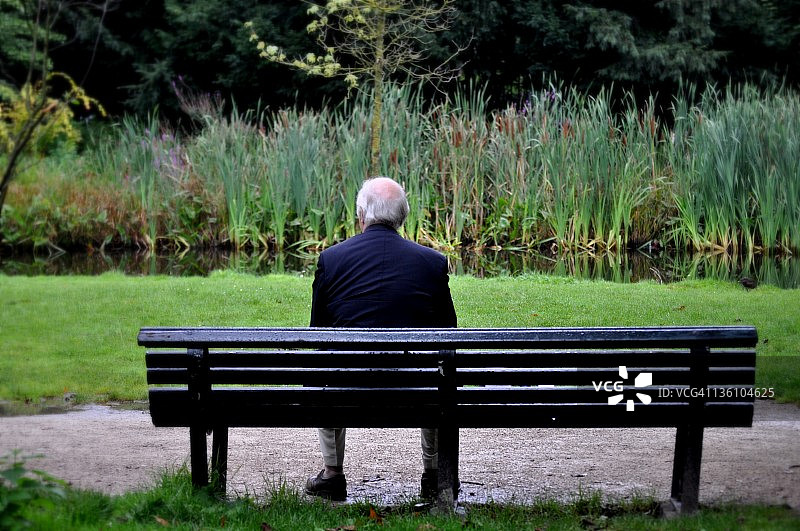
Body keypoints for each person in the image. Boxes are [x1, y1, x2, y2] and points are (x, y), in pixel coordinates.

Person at [305, 176, 458, 501]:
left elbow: (318, 333)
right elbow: (448, 335)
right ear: (402, 217)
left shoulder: (332, 260)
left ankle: (332, 474)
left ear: (362, 214)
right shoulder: (431, 264)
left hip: (347, 389)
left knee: (327, 370)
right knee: (437, 376)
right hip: (417, 390)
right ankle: (433, 476)